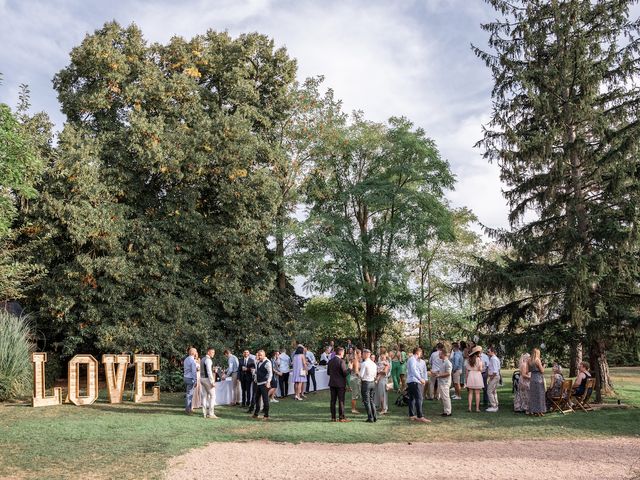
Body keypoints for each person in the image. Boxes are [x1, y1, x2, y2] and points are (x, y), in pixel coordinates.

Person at [406, 347, 430, 423]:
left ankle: (412, 415)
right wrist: (420, 379)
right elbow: (414, 370)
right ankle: (420, 416)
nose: (421, 354)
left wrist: (424, 379)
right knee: (419, 398)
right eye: (421, 353)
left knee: (412, 398)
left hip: (412, 381)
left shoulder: (412, 359)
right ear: (418, 352)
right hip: (414, 381)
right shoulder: (412, 359)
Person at [327, 347, 350, 422]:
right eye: (343, 352)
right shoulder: (341, 361)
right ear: (340, 353)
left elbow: (328, 373)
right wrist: (350, 368)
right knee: (341, 401)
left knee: (333, 401)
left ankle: (333, 417)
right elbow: (345, 373)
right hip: (340, 384)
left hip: (332, 383)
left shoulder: (330, 361)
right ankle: (341, 417)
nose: (343, 354)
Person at [252, 350, 272, 420]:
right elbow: (257, 372)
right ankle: (256, 414)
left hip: (264, 383)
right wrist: (255, 378)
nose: (259, 356)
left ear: (264, 355)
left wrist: (268, 382)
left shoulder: (267, 362)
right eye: (258, 355)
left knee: (265, 400)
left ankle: (266, 415)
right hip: (258, 383)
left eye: (260, 355)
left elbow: (270, 373)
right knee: (256, 399)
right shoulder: (258, 362)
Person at [360, 349, 378, 422]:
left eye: (363, 354)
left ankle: (370, 417)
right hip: (372, 382)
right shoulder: (373, 364)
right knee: (371, 400)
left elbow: (361, 375)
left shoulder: (364, 363)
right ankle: (375, 416)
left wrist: (357, 373)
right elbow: (375, 374)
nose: (362, 355)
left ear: (367, 354)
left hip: (366, 383)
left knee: (367, 401)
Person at [200, 348, 219, 419]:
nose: (213, 353)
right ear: (208, 352)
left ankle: (204, 413)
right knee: (213, 396)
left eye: (214, 352)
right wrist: (212, 382)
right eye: (212, 352)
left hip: (201, 379)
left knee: (205, 396)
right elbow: (209, 372)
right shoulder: (208, 360)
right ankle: (211, 414)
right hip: (207, 379)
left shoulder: (202, 359)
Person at [465, 345, 484, 412]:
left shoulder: (469, 359)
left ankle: (469, 408)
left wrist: (466, 379)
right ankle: (477, 408)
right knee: (477, 393)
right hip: (477, 375)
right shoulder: (478, 359)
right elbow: (480, 369)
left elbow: (466, 370)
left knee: (470, 393)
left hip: (471, 375)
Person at [527, 348, 546, 416]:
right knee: (539, 395)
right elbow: (542, 371)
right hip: (538, 378)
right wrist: (544, 366)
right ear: (538, 353)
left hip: (532, 378)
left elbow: (527, 370)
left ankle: (533, 410)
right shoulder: (537, 360)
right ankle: (540, 411)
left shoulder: (529, 360)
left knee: (533, 395)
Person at [437, 347, 453, 417]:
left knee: (446, 397)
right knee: (443, 397)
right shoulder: (442, 362)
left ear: (443, 354)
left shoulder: (448, 363)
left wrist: (439, 375)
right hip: (441, 382)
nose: (439, 355)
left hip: (445, 382)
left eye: (440, 354)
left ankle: (448, 412)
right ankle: (445, 410)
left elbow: (448, 373)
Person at [183, 347, 198, 415]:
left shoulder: (186, 359)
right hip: (190, 378)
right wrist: (195, 380)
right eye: (195, 352)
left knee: (189, 394)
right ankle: (188, 410)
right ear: (193, 353)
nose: (196, 353)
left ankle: (190, 408)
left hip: (185, 377)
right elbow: (193, 371)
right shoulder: (192, 360)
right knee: (189, 395)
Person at [486, 346, 501, 412]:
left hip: (494, 377)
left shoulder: (493, 359)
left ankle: (494, 406)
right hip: (495, 376)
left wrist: (491, 377)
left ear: (492, 352)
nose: (487, 353)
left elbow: (495, 370)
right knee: (493, 391)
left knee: (489, 391)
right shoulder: (494, 358)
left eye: (488, 352)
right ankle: (496, 404)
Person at [349, 349, 362, 414]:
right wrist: (362, 377)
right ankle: (353, 409)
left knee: (356, 393)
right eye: (360, 353)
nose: (361, 355)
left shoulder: (354, 360)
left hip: (353, 378)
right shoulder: (356, 361)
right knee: (355, 394)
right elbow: (356, 372)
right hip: (355, 379)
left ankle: (354, 408)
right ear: (357, 354)